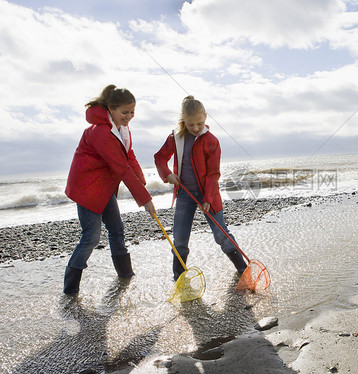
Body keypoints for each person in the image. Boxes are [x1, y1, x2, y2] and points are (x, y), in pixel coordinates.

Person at [63, 84, 156, 295]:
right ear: (110, 110)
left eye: (132, 111)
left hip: (105, 188)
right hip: (87, 189)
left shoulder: (122, 129)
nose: (129, 116)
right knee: (91, 237)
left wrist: (141, 180)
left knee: (117, 229)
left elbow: (129, 155)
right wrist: (145, 200)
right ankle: (70, 289)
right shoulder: (100, 132)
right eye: (125, 112)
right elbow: (121, 167)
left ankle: (125, 274)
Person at [154, 95, 247, 281]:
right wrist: (167, 174)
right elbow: (159, 157)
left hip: (208, 195)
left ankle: (243, 270)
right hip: (184, 194)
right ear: (183, 121)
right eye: (190, 125)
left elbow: (213, 174)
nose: (196, 128)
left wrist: (208, 198)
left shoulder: (212, 141)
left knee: (221, 234)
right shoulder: (176, 138)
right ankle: (178, 277)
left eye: (199, 123)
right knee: (179, 238)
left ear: (205, 117)